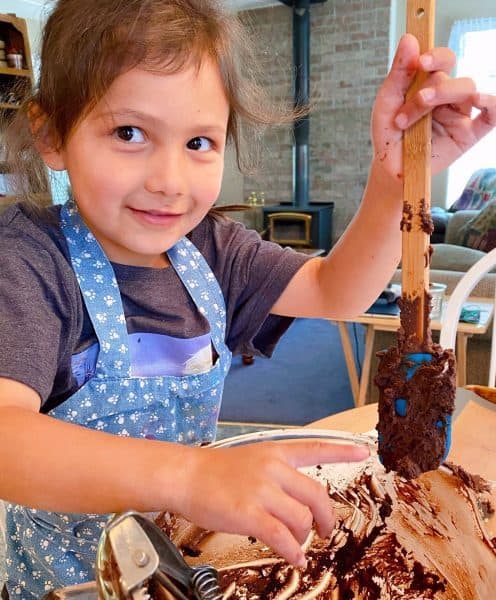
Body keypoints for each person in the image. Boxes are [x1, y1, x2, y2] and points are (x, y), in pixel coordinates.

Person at [0, 0, 495, 597]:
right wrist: (189, 476)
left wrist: (393, 185)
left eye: (200, 142)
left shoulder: (211, 249)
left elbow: (335, 290)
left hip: (186, 563)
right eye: (129, 133)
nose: (170, 180)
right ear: (51, 134)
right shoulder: (30, 260)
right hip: (70, 581)